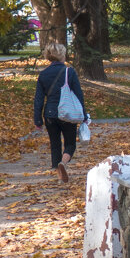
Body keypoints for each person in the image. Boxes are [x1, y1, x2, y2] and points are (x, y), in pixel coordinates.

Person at [33, 42, 88, 183]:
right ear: (62, 55)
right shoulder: (69, 72)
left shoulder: (43, 74)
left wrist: (37, 120)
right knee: (70, 143)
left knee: (55, 143)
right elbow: (79, 95)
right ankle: (63, 163)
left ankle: (58, 173)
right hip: (67, 113)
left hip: (50, 115)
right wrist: (84, 115)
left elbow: (38, 99)